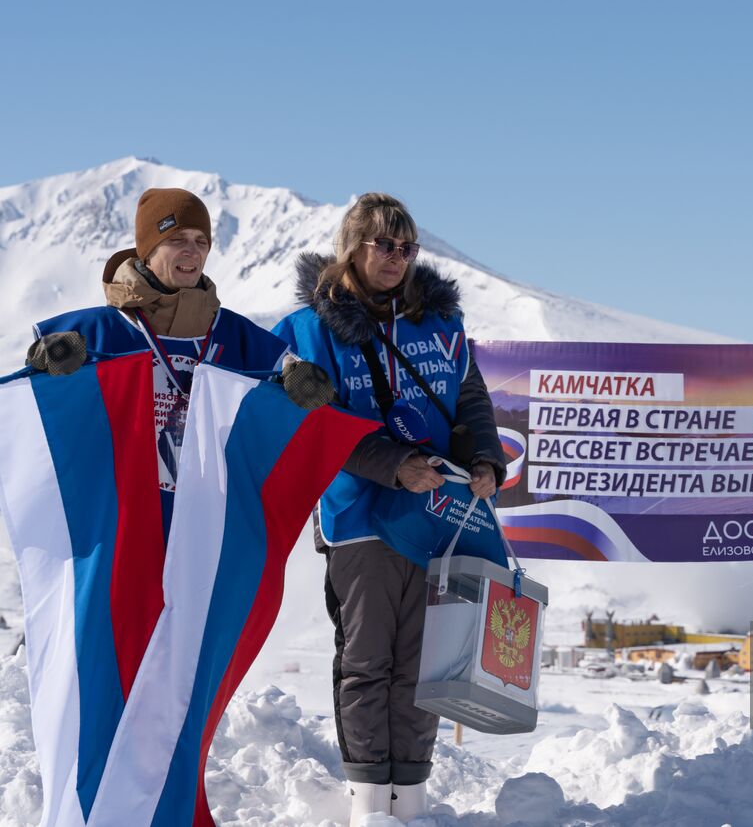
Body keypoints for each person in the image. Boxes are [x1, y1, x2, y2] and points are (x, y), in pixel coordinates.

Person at [273, 193, 506, 825]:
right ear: (353, 247)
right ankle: (369, 803)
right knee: (368, 661)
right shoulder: (310, 329)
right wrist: (389, 464)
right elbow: (308, 418)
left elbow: (471, 401)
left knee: (422, 666)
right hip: (359, 519)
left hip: (438, 519)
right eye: (384, 245)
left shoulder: (441, 322)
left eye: (407, 248)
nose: (398, 258)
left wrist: (483, 459)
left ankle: (412, 797)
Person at [29, 187, 295, 531]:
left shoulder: (233, 334)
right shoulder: (103, 330)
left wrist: (301, 378)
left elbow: (287, 374)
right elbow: (36, 392)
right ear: (148, 251)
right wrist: (45, 359)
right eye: (177, 239)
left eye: (201, 241)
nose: (192, 251)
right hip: (122, 526)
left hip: (207, 528)